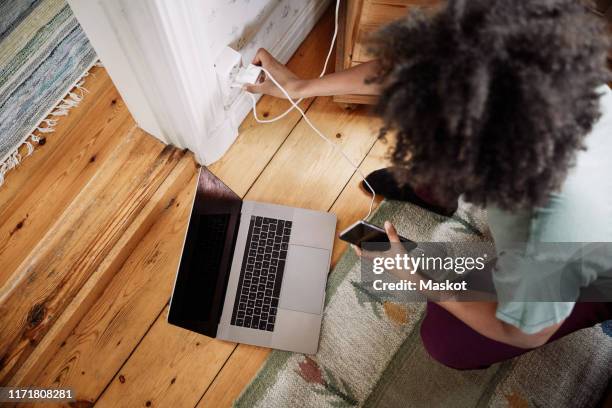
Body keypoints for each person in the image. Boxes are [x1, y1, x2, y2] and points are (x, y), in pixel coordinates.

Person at [245, 0, 612, 369]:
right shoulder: (541, 61)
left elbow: (527, 331)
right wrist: (302, 86)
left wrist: (416, 277)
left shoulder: (548, 227)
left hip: (596, 263)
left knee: (446, 337)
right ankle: (435, 197)